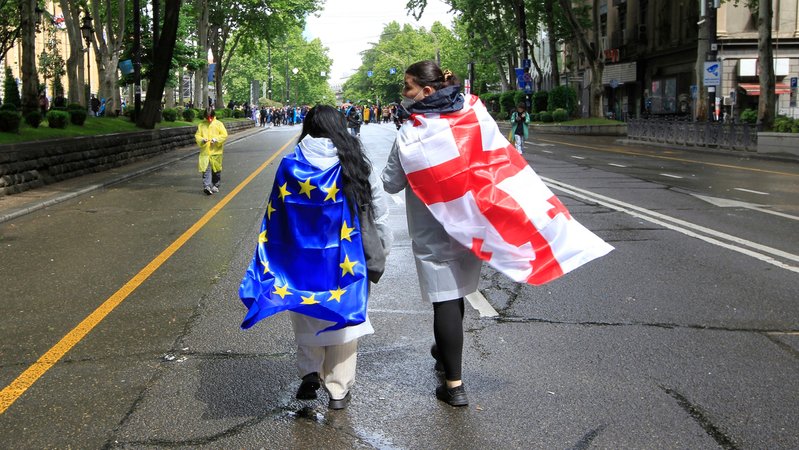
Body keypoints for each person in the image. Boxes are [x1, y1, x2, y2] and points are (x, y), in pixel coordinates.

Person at [382, 60, 612, 408]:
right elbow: (497, 162)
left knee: (445, 298)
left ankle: (454, 385)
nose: (403, 93)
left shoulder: (411, 134)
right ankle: (444, 353)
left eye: (408, 86)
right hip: (472, 226)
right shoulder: (474, 114)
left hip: (433, 230)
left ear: (426, 91)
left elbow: (390, 182)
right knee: (456, 292)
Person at [239, 104, 392, 410]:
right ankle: (338, 390)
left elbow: (276, 213)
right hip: (347, 258)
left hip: (300, 258)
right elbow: (378, 209)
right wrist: (382, 248)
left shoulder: (290, 164)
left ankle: (310, 370)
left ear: (307, 127)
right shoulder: (354, 163)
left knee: (305, 308)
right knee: (344, 317)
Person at [195, 108, 228, 195]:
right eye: (207, 117)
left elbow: (224, 135)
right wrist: (202, 140)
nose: (209, 119)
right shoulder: (201, 125)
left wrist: (216, 139)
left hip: (216, 152)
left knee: (216, 170)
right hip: (205, 152)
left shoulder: (219, 124)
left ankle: (216, 185)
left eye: (210, 117)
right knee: (206, 169)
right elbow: (197, 136)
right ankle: (207, 186)